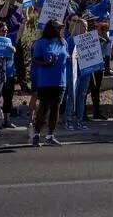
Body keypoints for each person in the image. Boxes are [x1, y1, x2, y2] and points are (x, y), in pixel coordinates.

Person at [30, 19, 68, 147]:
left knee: (55, 108)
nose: (61, 29)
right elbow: (34, 59)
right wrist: (46, 63)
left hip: (60, 81)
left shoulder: (63, 42)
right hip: (45, 81)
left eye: (61, 28)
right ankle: (36, 135)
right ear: (52, 29)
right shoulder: (41, 43)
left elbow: (65, 56)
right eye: (58, 27)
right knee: (43, 108)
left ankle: (50, 136)